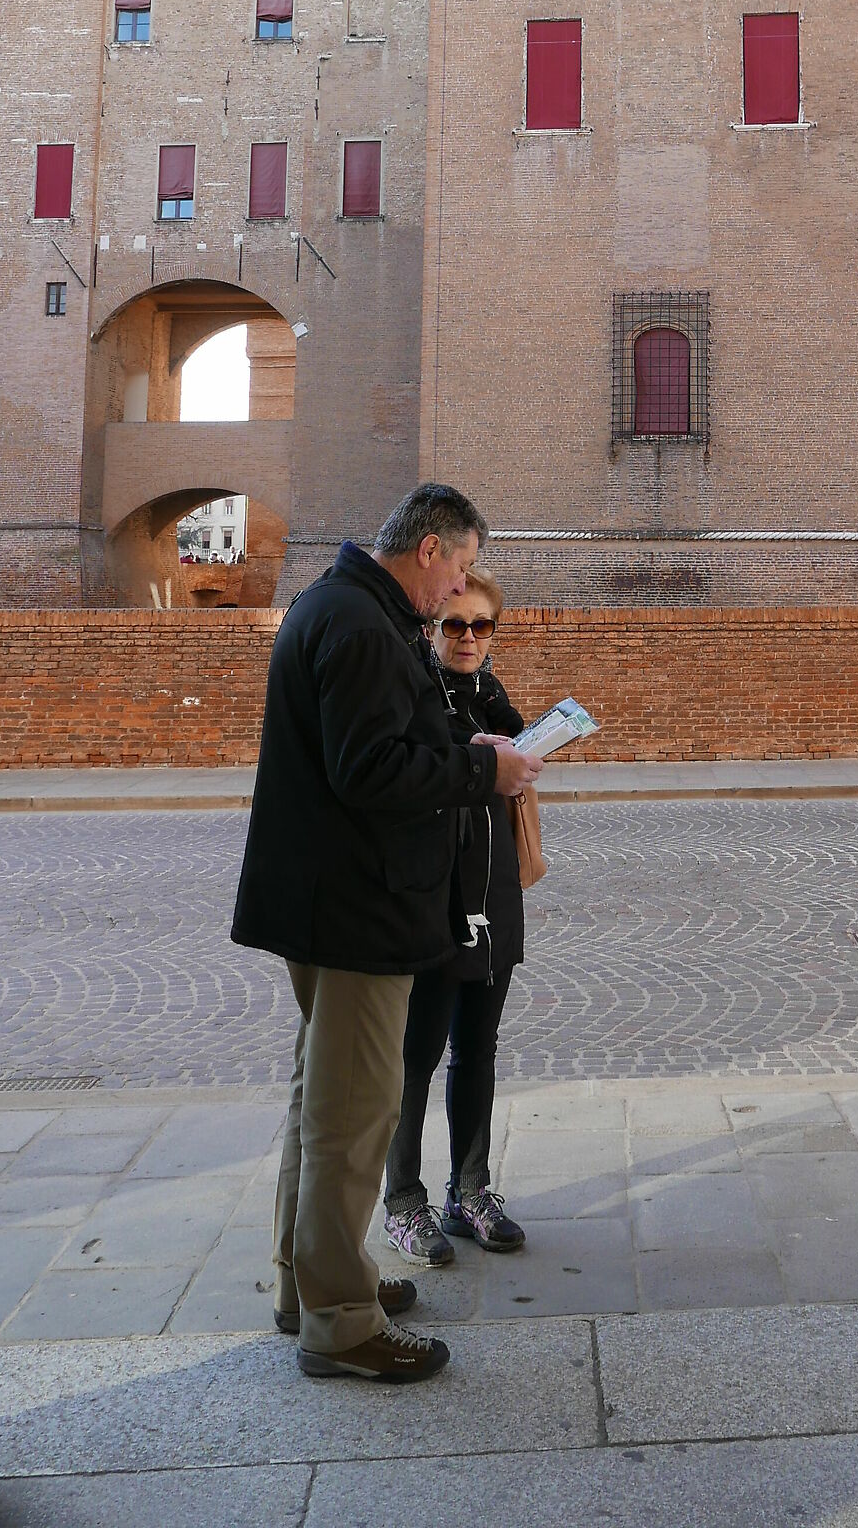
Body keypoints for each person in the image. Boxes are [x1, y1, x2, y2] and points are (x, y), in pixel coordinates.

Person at [231, 484, 540, 1384]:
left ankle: (313, 1283)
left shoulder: (340, 607)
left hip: (330, 901)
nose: (461, 592)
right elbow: (370, 770)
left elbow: (368, 752)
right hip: (356, 908)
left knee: (319, 1104)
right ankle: (339, 1320)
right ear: (432, 549)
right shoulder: (363, 626)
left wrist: (469, 753)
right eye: (463, 568)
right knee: (353, 1117)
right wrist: (481, 770)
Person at [383, 562, 530, 1264]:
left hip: (494, 890)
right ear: (434, 627)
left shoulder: (492, 696)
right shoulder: (416, 693)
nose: (469, 637)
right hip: (436, 895)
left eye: (482, 625)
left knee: (480, 1047)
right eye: (456, 624)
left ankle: (470, 1189)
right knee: (417, 1053)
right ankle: (403, 1201)